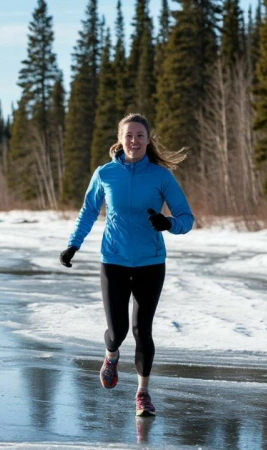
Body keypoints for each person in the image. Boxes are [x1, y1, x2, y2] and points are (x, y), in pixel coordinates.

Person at [59, 113, 194, 417]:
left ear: (148, 140)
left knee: (142, 330)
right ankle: (111, 354)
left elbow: (187, 219)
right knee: (118, 331)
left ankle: (143, 394)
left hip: (150, 262)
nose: (134, 141)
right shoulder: (105, 174)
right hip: (115, 261)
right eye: (128, 135)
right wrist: (73, 244)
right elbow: (88, 212)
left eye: (140, 136)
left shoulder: (161, 177)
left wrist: (168, 223)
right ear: (120, 140)